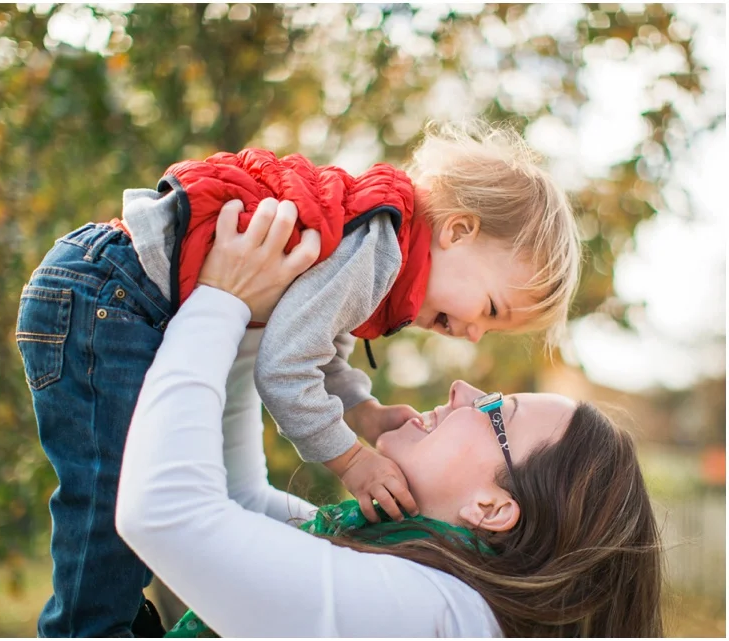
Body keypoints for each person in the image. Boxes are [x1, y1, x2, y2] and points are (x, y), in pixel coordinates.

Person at [16, 120, 579, 636]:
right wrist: (351, 459)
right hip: (110, 296)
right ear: (457, 231)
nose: (476, 334)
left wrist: (364, 410)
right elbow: (284, 369)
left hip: (110, 292)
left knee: (110, 503)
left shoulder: (379, 249)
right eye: (491, 309)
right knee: (104, 504)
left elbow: (317, 347)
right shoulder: (380, 252)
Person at [116, 203, 663, 638]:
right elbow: (238, 504)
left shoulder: (430, 615)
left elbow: (165, 512)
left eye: (496, 409)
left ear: (492, 508)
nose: (462, 388)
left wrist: (220, 299)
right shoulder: (423, 579)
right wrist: (259, 317)